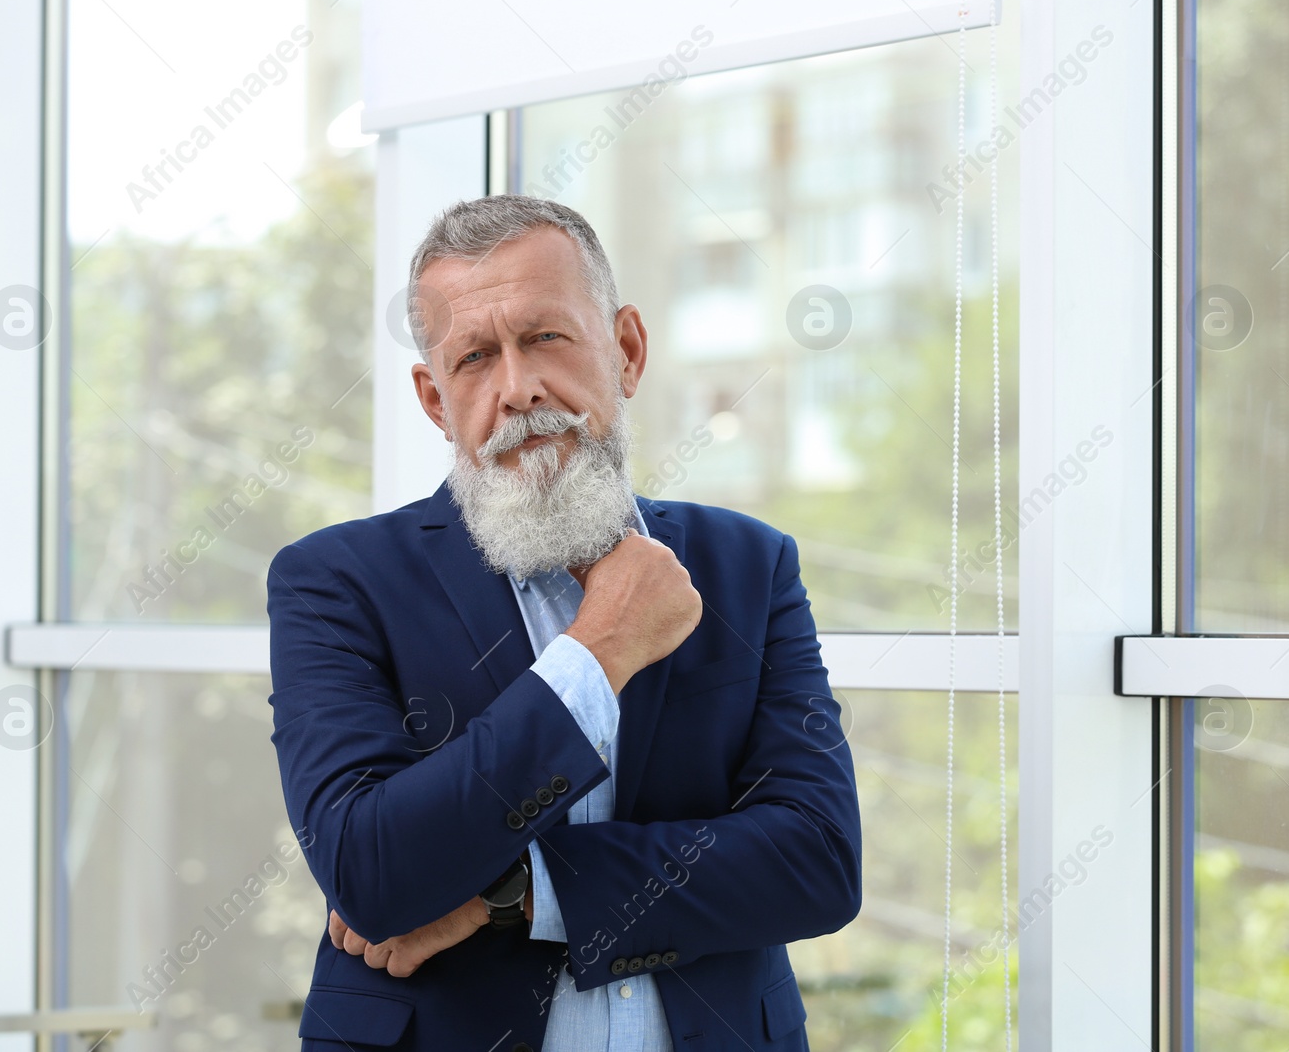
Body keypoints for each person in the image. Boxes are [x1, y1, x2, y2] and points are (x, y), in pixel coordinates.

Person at [266, 194, 861, 1051]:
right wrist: (598, 650)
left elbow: (815, 861)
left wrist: (508, 891)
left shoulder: (747, 567)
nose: (518, 389)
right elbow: (372, 870)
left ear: (625, 350)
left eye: (546, 337)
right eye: (475, 357)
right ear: (435, 399)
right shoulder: (335, 581)